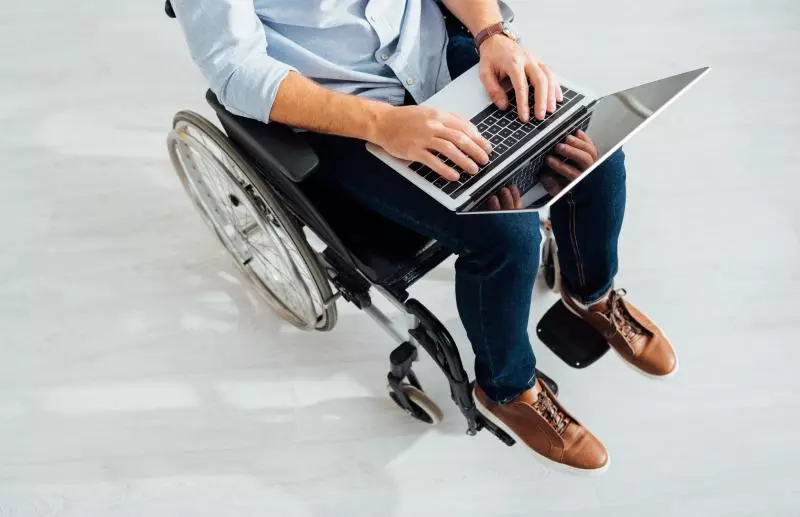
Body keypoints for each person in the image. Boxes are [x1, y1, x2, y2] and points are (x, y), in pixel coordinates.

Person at [171, 0, 678, 473]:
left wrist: (493, 34)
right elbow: (236, 72)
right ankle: (505, 389)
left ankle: (592, 293)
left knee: (597, 160)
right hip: (348, 114)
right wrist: (384, 123)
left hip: (436, 56)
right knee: (505, 235)